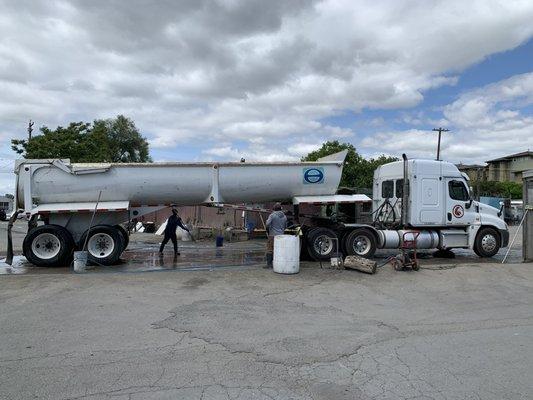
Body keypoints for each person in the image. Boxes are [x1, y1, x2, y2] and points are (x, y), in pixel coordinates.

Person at [265, 203, 287, 268]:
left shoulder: (272, 215)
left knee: (270, 249)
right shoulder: (284, 217)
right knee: (280, 249)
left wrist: (267, 225)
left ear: (274, 209)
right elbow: (285, 226)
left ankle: (269, 264)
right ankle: (279, 263)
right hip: (281, 235)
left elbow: (267, 224)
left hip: (272, 235)